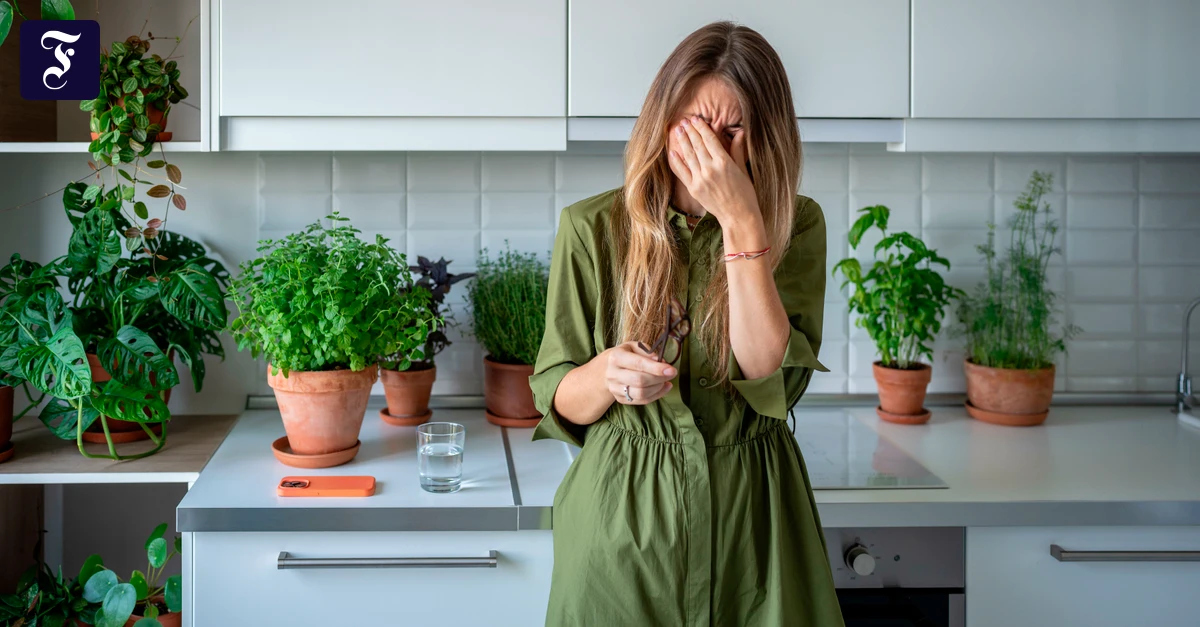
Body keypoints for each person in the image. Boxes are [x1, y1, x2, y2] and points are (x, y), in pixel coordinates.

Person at [528, 20, 845, 627]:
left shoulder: (796, 225)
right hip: (621, 533)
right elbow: (557, 396)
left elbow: (770, 382)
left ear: (764, 138)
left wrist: (742, 224)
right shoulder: (590, 229)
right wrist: (605, 375)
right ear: (663, 119)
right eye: (696, 127)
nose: (714, 151)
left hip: (756, 525)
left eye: (733, 131)